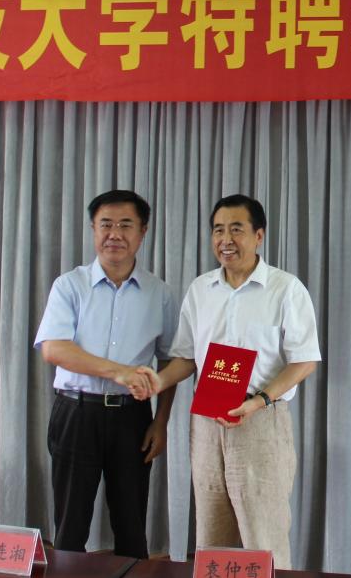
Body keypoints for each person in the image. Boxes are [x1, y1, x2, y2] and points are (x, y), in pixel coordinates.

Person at [133, 194, 320, 570]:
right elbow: (187, 357)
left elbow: (304, 361)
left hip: (260, 419)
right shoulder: (201, 289)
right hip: (207, 419)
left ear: (259, 235)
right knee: (212, 530)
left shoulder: (285, 289)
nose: (225, 239)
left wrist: (259, 400)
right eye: (218, 230)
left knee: (264, 532)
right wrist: (157, 381)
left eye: (237, 229)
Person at [34, 189, 177, 559]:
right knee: (70, 526)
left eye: (126, 225)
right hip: (76, 413)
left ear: (143, 232)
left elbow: (169, 362)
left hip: (132, 418)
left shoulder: (160, 293)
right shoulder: (70, 285)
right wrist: (120, 372)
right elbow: (54, 349)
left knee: (131, 525)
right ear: (93, 230)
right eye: (106, 225)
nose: (115, 234)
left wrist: (160, 422)